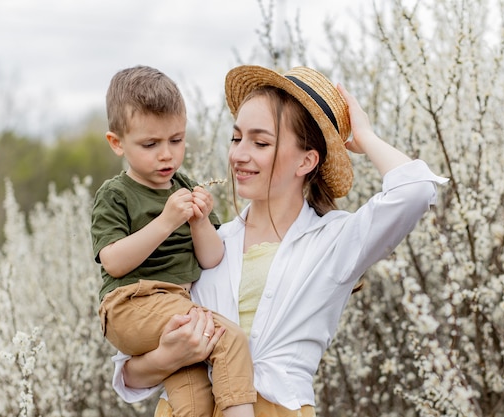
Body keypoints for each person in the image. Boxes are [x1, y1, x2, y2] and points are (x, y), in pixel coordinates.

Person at [109, 65, 448, 417]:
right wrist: (169, 356)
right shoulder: (209, 242)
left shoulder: (332, 243)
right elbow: (129, 373)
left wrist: (365, 136)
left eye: (260, 142)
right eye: (236, 138)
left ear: (307, 160)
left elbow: (415, 190)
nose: (239, 155)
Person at [90, 65, 256, 417]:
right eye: (150, 144)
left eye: (176, 140)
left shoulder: (183, 185)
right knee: (229, 340)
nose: (166, 154)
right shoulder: (116, 194)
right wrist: (166, 221)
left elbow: (211, 258)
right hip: (131, 303)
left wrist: (198, 223)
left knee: (194, 393)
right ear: (117, 143)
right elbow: (114, 262)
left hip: (173, 304)